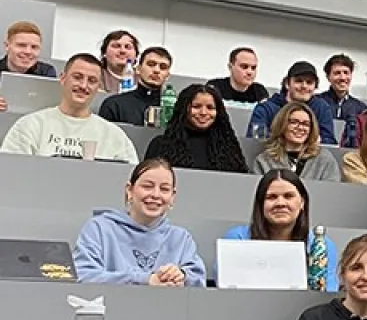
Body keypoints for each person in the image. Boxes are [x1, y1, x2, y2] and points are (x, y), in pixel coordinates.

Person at [72, 157, 205, 286]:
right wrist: (145, 280)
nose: (155, 195)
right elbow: (82, 275)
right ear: (130, 190)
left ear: (172, 197)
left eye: (164, 189)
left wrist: (181, 276)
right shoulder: (99, 229)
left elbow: (198, 280)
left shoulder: (181, 239)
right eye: (147, 186)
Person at [0, 53, 137, 162]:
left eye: (92, 81)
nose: (84, 86)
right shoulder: (30, 125)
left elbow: (131, 182)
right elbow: (10, 171)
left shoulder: (115, 136)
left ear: (99, 87)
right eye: (77, 77)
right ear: (63, 79)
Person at [223, 170, 339, 290]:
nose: (280, 203)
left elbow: (327, 293)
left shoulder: (320, 245)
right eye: (271, 197)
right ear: (261, 204)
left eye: (288, 196)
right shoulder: (237, 239)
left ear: (302, 202)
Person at [144, 82, 248, 173]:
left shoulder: (230, 149)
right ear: (184, 109)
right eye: (196, 106)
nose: (203, 112)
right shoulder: (160, 145)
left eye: (210, 108)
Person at [248, 61, 338, 146]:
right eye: (299, 81)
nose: (304, 86)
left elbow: (329, 142)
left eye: (309, 82)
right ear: (287, 83)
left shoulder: (322, 108)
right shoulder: (265, 109)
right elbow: (256, 140)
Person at [251, 102, 341, 183]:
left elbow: (331, 193)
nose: (300, 127)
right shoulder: (264, 160)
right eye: (294, 122)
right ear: (282, 124)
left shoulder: (325, 159)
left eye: (306, 124)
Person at [97, 45, 172, 127]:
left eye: (163, 67)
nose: (157, 70)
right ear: (138, 69)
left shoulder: (174, 110)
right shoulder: (115, 105)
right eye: (151, 64)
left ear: (167, 76)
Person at [0, 19, 56, 104]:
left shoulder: (47, 72)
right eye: (21, 45)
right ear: (7, 46)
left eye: (34, 47)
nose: (28, 52)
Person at [319, 53, 367, 149]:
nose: (342, 78)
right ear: (328, 77)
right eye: (337, 73)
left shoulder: (361, 108)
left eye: (346, 73)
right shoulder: (317, 103)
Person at [97, 28, 139, 95]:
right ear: (104, 53)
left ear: (136, 54)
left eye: (127, 47)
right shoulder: (96, 76)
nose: (122, 51)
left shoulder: (143, 80)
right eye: (116, 46)